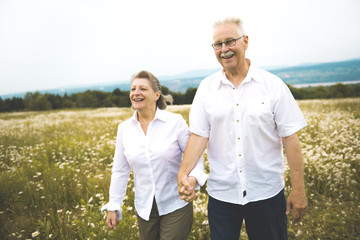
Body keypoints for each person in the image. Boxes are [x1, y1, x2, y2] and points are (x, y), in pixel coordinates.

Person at [177, 17, 308, 240]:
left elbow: (290, 139)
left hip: (266, 192)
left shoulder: (273, 85)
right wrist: (184, 172)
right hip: (222, 194)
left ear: (245, 42)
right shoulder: (206, 89)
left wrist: (298, 189)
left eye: (230, 41)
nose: (224, 49)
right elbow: (199, 136)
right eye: (218, 44)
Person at [101, 70, 207, 240]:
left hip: (176, 203)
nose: (136, 93)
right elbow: (120, 171)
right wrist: (113, 206)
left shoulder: (175, 122)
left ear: (157, 94)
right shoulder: (124, 129)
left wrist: (193, 179)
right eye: (133, 89)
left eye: (143, 89)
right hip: (144, 209)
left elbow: (195, 158)